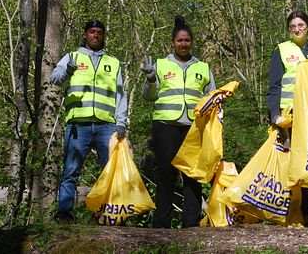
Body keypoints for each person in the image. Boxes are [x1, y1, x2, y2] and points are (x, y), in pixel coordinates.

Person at [142, 16, 216, 228]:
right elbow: (148, 97)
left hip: (193, 127)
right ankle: (161, 224)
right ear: (173, 42)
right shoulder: (160, 64)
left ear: (192, 42)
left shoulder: (203, 67)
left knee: (192, 175)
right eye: (180, 41)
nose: (184, 44)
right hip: (166, 126)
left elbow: (212, 97)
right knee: (166, 173)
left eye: (187, 40)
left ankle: (191, 223)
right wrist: (150, 79)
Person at [51, 19, 129, 223]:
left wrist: (121, 123)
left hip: (107, 126)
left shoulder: (113, 62)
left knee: (110, 171)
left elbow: (121, 94)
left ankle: (111, 213)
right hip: (79, 125)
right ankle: (64, 214)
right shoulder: (72, 57)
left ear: (103, 36)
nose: (96, 35)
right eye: (92, 32)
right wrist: (68, 70)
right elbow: (55, 79)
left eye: (99, 32)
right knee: (71, 171)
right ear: (85, 34)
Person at [266, 10, 308, 227]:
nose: (297, 29)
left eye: (301, 25)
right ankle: (285, 209)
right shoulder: (281, 50)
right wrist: (274, 114)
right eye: (293, 26)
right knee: (290, 162)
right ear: (288, 30)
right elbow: (274, 86)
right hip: (288, 116)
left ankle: (306, 212)